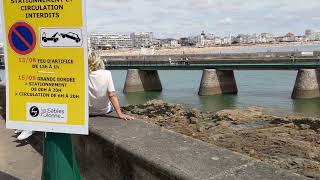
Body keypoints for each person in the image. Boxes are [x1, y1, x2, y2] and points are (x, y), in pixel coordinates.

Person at [88, 51, 134, 120]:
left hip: (88, 111)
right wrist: (120, 114)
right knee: (110, 106)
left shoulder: (82, 74)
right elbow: (112, 95)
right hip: (104, 110)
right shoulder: (107, 73)